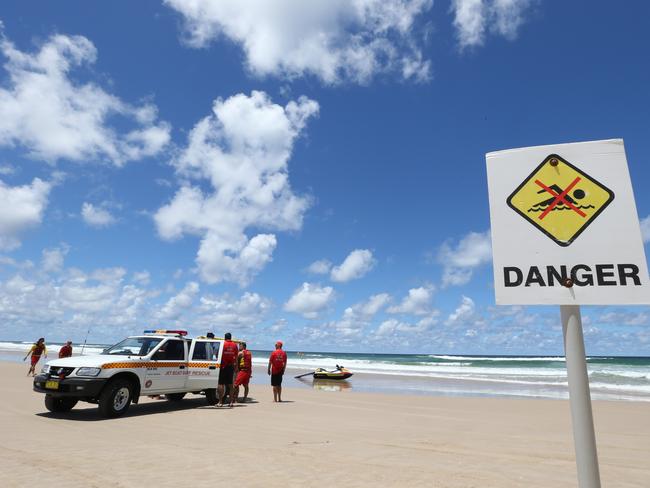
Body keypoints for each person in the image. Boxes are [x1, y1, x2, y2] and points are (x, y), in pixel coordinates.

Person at [218, 332, 239, 407]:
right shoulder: (234, 345)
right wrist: (236, 367)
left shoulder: (222, 344)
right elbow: (236, 357)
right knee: (230, 385)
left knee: (221, 384)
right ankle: (231, 402)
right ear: (231, 337)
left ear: (224, 337)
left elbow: (218, 354)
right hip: (231, 366)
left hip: (223, 366)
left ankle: (220, 402)